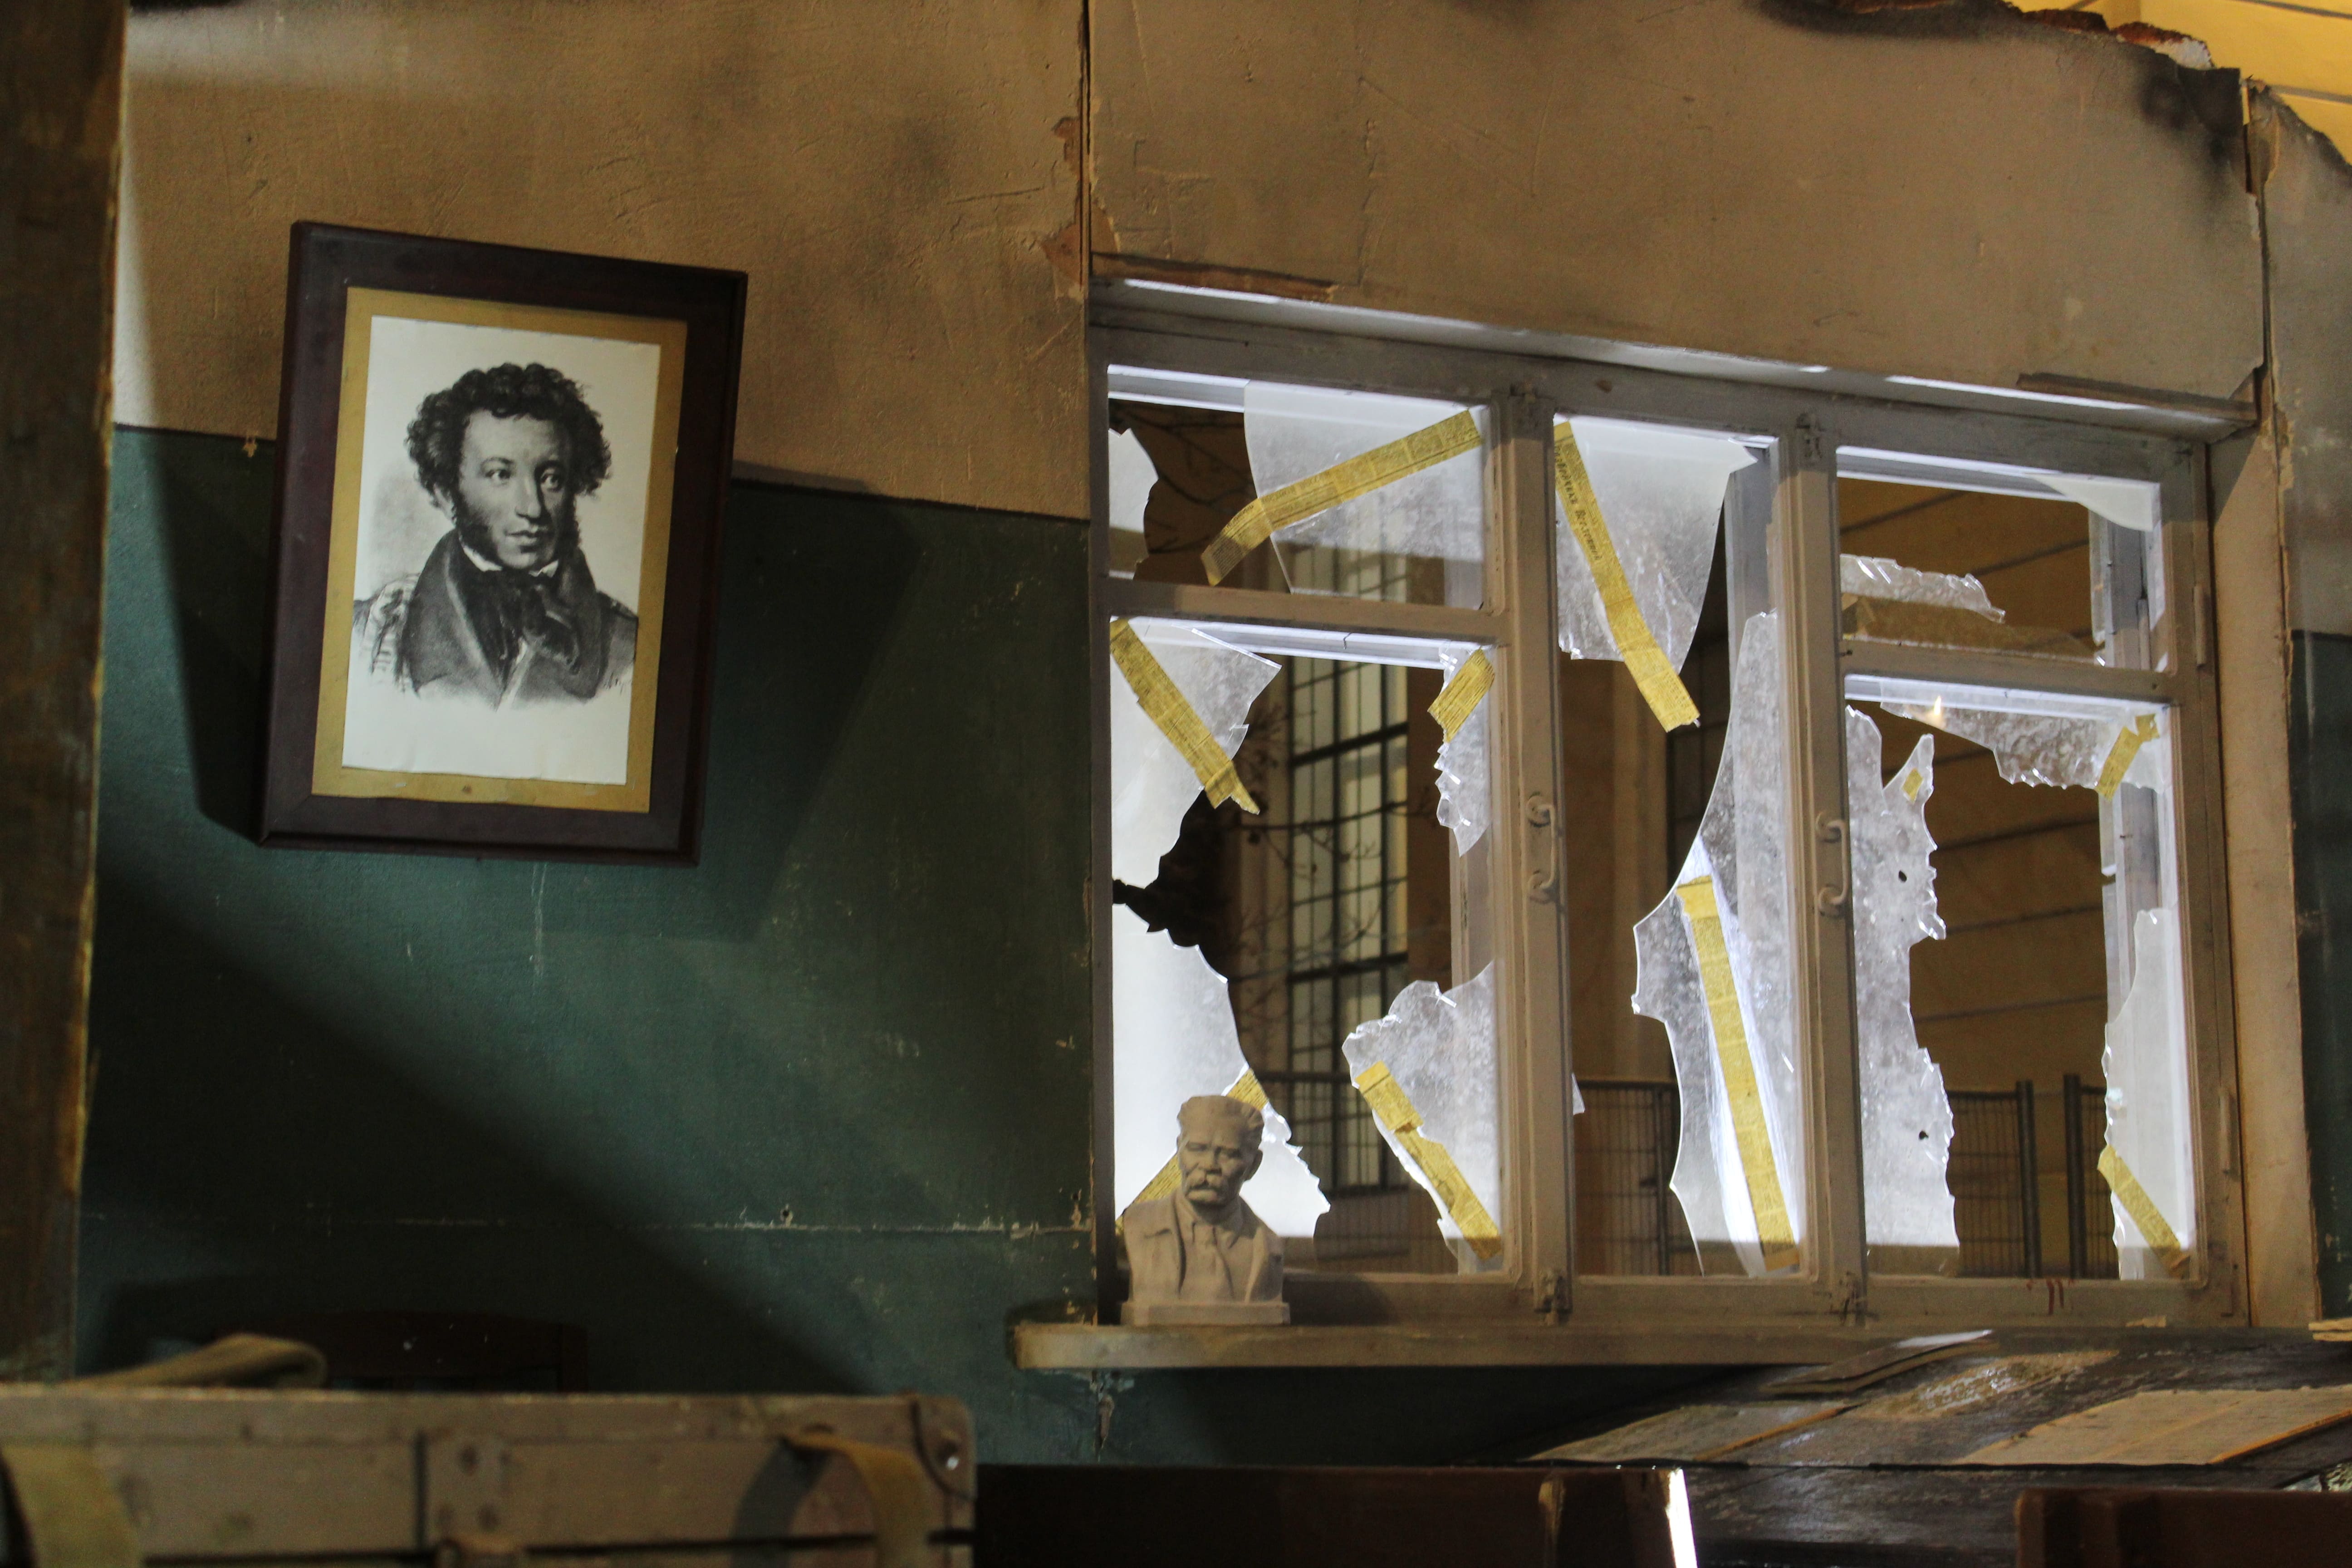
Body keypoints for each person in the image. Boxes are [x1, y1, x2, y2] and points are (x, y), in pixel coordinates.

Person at [354, 363, 637, 706]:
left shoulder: (628, 645)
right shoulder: (373, 630)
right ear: (447, 494)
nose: (533, 508)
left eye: (551, 479)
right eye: (501, 475)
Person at [1122, 1095, 1285, 1313]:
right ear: (1179, 1150)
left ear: (1253, 1165)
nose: (1209, 1165)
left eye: (1228, 1154)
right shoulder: (1138, 1226)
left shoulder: (1268, 1247)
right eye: (1197, 1149)